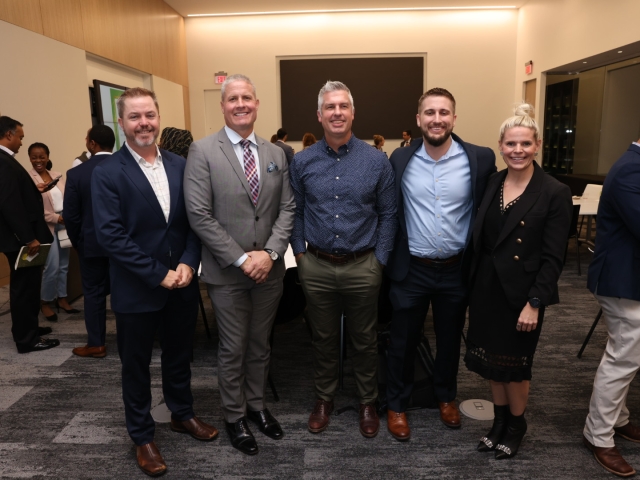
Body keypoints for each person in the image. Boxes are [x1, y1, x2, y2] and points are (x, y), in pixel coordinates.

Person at [92, 87, 218, 476]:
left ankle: (182, 413)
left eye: (149, 115)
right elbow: (111, 236)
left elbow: (195, 221)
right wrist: (157, 273)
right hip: (137, 289)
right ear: (121, 122)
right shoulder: (107, 172)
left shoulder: (181, 165)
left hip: (181, 283)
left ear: (159, 117)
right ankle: (142, 435)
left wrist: (189, 262)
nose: (143, 123)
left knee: (180, 356)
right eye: (135, 117)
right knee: (136, 365)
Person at [184, 74, 295, 455]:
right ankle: (234, 416)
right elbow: (199, 215)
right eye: (233, 99)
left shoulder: (276, 153)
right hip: (227, 271)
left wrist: (271, 253)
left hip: (270, 270)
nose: (241, 104)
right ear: (223, 106)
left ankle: (257, 406)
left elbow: (287, 208)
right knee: (233, 347)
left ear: (257, 103)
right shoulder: (202, 151)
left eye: (247, 97)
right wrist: (242, 258)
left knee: (261, 344)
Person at [385, 88, 496, 441]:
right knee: (402, 340)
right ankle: (396, 404)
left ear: (454, 118)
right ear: (419, 119)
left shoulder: (480, 159)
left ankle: (446, 396)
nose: (437, 119)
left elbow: (489, 211)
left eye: (444, 112)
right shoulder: (400, 159)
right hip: (411, 268)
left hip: (455, 269)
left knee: (450, 338)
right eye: (430, 113)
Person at [290, 80, 397, 438]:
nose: (337, 113)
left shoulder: (376, 160)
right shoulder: (302, 161)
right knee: (322, 338)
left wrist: (379, 261)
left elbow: (389, 214)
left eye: (343, 106)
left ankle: (368, 401)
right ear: (319, 115)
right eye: (330, 107)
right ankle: (324, 398)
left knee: (364, 339)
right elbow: (296, 211)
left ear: (353, 113)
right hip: (316, 265)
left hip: (363, 264)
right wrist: (301, 255)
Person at [464, 104, 572, 459]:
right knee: (492, 363)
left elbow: (554, 257)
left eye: (525, 143)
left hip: (522, 296)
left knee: (515, 367)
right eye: (511, 144)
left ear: (537, 145)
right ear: (500, 145)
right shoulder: (492, 182)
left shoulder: (554, 191)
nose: (518, 150)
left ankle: (516, 425)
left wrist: (535, 303)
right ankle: (498, 423)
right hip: (486, 289)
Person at [583, 139, 640, 477]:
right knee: (623, 358)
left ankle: (618, 419)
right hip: (622, 281)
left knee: (627, 355)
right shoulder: (631, 169)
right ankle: (598, 435)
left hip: (629, 279)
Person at [0, 116, 58, 353]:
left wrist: (34, 190)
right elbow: (9, 204)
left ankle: (29, 329)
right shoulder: (3, 161)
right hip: (21, 241)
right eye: (20, 137)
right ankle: (27, 340)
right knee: (24, 289)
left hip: (21, 238)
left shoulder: (6, 160)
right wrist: (28, 238)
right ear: (9, 135)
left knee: (29, 286)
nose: (22, 142)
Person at [64, 125, 115, 358]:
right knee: (126, 290)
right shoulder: (127, 168)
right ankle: (131, 341)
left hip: (91, 244)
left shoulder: (76, 174)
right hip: (125, 246)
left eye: (87, 139)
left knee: (94, 294)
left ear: (93, 143)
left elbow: (71, 215)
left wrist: (78, 241)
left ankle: (97, 344)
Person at [28, 143, 80, 321]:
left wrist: (68, 215)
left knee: (64, 265)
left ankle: (62, 298)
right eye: (34, 157)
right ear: (30, 159)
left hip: (64, 224)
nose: (38, 160)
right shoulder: (29, 179)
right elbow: (33, 208)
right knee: (52, 266)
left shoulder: (57, 175)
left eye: (42, 156)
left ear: (48, 157)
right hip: (47, 227)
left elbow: (67, 198)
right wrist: (56, 218)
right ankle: (45, 302)